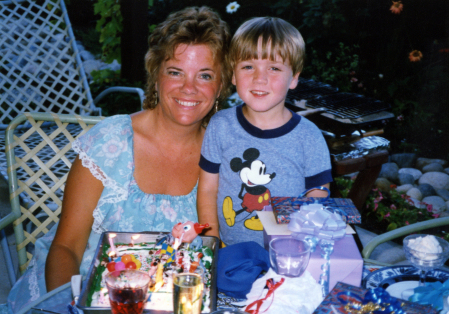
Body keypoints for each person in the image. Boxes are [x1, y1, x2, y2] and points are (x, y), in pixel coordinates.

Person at [2, 7, 231, 313]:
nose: (189, 88)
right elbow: (66, 247)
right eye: (175, 72)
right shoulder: (110, 142)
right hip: (84, 294)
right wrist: (72, 307)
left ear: (221, 86)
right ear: (156, 74)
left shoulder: (224, 155)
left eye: (204, 75)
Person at [197, 17, 332, 247]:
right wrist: (212, 244)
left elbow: (317, 196)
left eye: (274, 68)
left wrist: (302, 244)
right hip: (230, 252)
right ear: (233, 74)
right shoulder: (220, 126)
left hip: (289, 253)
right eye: (248, 66)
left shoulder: (309, 137)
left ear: (294, 77)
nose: (260, 78)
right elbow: (208, 189)